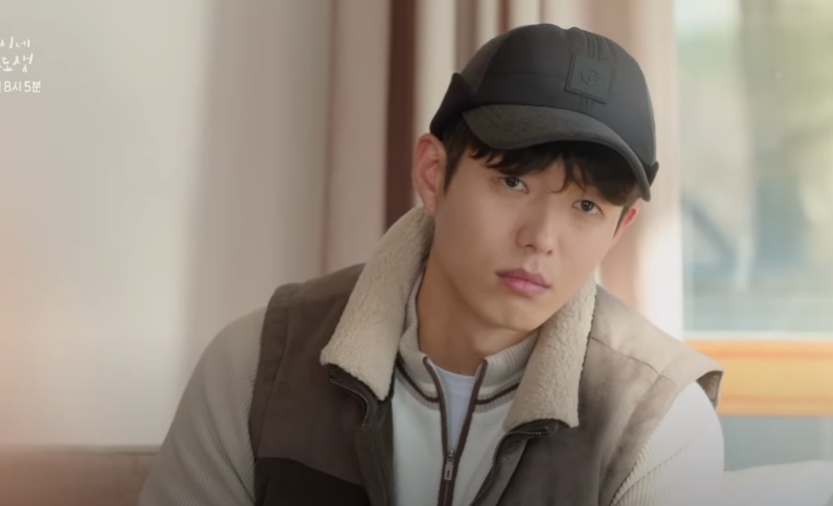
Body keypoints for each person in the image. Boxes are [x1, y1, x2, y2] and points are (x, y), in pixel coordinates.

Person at [139, 24, 724, 506]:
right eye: (513, 182)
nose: (541, 238)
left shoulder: (658, 422)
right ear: (432, 173)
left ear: (620, 229)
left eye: (586, 206)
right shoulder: (257, 367)